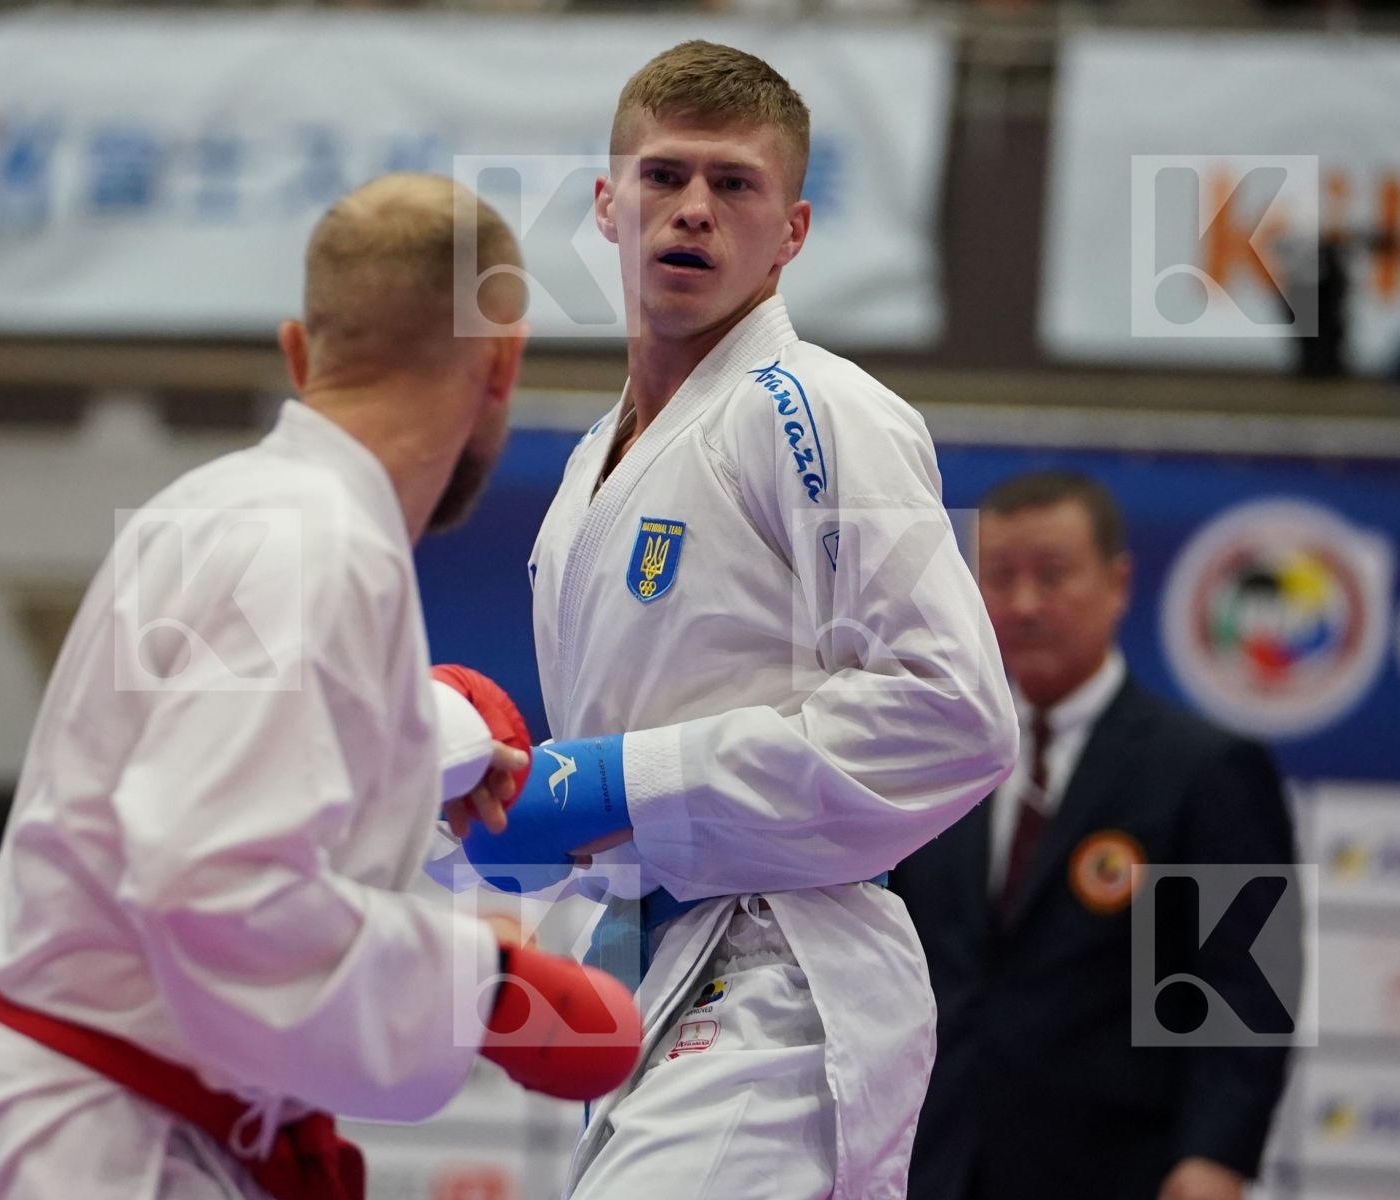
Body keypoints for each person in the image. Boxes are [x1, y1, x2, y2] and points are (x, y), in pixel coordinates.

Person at [0, 174, 642, 1200]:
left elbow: (193, 761)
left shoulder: (219, 508)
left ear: (299, 353)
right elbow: (209, 881)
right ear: (501, 364)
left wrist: (423, 736)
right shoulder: (316, 546)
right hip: (108, 1145)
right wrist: (480, 986)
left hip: (122, 1124)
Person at [435, 42, 1018, 1200]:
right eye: (664, 176)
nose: (693, 209)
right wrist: (525, 821)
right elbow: (622, 766)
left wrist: (612, 784)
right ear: (607, 206)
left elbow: (957, 715)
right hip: (651, 972)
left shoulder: (818, 408)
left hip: (782, 973)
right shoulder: (587, 473)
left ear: (792, 231)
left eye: (734, 185)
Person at [889, 470, 1298, 1200]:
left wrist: (1214, 1157)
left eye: (1052, 576)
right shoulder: (931, 760)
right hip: (933, 1163)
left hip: (1117, 1168)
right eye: (1000, 577)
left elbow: (1244, 993)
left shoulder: (1203, 769)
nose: (1023, 605)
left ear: (1118, 583)